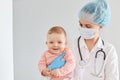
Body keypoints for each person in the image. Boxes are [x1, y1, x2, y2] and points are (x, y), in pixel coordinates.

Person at [72, 0, 119, 80]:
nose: (83, 29)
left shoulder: (109, 50)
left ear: (100, 26)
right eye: (81, 24)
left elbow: (113, 78)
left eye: (88, 26)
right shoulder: (70, 45)